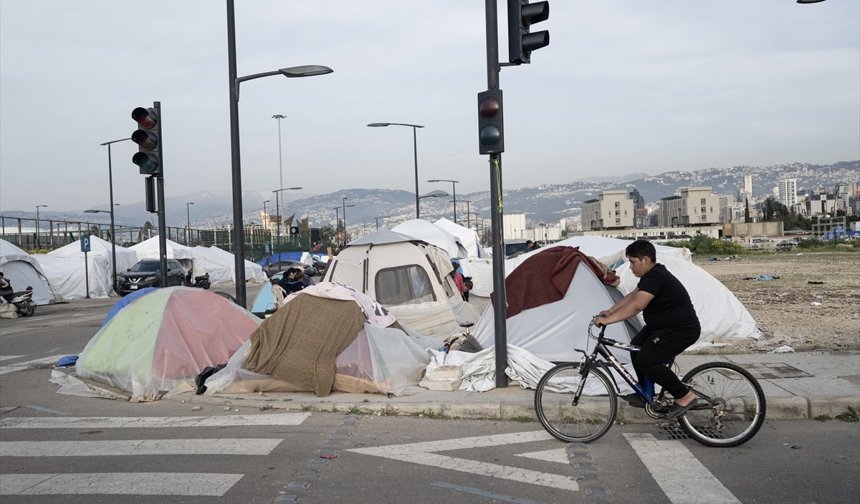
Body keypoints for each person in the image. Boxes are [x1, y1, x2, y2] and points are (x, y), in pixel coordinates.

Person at [592, 240, 701, 420]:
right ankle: (645, 393)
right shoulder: (650, 276)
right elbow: (633, 296)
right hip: (661, 327)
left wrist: (608, 321)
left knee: (647, 361)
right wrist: (610, 311)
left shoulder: (656, 277)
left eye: (633, 262)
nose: (631, 267)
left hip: (679, 330)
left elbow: (637, 306)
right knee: (635, 347)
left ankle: (684, 396)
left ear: (646, 260)